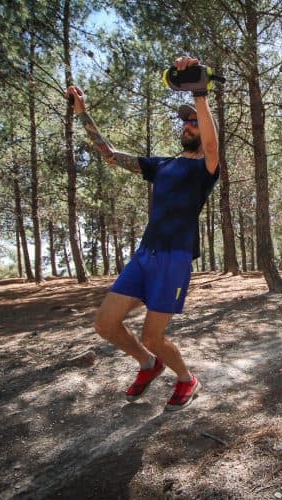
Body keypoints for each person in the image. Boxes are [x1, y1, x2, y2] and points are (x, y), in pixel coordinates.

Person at [65, 55, 219, 410]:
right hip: (145, 255)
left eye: (194, 123)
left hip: (174, 258)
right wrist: (82, 113)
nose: (187, 127)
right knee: (105, 324)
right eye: (185, 122)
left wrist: (199, 92)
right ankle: (149, 365)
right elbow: (111, 155)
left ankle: (186, 378)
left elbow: (211, 146)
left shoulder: (207, 168)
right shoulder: (162, 164)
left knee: (153, 335)